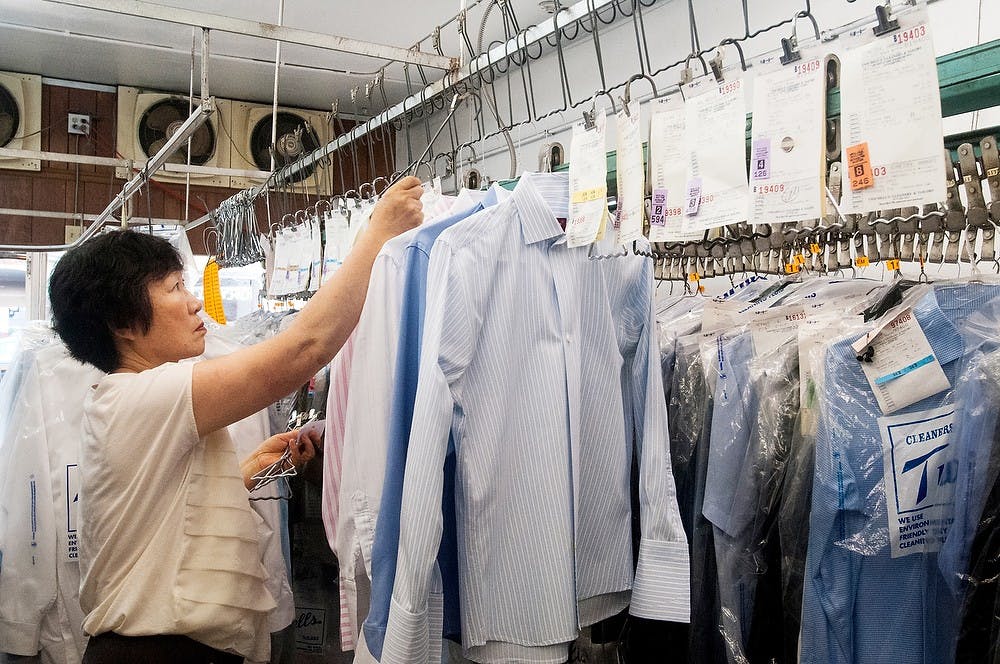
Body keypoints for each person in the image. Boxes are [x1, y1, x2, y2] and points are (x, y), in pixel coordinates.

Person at [47, 177, 425, 664]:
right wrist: (377, 234)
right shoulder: (138, 396)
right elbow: (302, 350)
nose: (195, 301)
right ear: (122, 324)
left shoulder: (132, 401)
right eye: (174, 287)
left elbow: (164, 510)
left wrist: (246, 472)